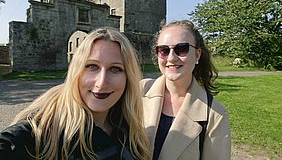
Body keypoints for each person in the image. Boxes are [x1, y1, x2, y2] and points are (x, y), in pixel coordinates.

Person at [0, 27, 150, 160]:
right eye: (92, 66)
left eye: (115, 69)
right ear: (76, 72)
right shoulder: (45, 130)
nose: (101, 82)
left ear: (128, 77)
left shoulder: (129, 130)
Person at [141, 20, 231, 160]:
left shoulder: (214, 115)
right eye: (164, 50)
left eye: (181, 49)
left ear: (197, 54)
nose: (171, 58)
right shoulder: (139, 91)